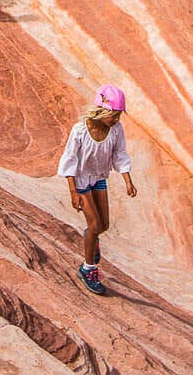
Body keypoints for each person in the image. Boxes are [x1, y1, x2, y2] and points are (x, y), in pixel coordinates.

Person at [57, 84, 137, 296]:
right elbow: (70, 159)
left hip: (99, 178)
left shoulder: (116, 130)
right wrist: (73, 192)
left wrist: (128, 180)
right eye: (114, 114)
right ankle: (88, 269)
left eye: (119, 115)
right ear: (102, 111)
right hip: (82, 181)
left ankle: (91, 239)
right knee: (94, 225)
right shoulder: (81, 130)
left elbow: (120, 154)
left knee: (104, 225)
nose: (117, 119)